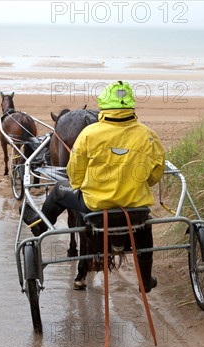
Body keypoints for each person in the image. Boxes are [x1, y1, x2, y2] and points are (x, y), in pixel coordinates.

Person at [41, 81, 165, 291]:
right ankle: (145, 278)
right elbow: (156, 173)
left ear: (104, 105)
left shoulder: (89, 135)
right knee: (145, 224)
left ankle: (39, 226)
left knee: (59, 190)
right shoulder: (149, 135)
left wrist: (83, 187)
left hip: (95, 207)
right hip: (136, 209)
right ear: (131, 105)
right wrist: (137, 186)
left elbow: (74, 174)